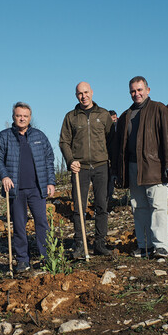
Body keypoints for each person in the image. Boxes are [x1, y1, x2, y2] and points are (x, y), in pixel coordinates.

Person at [111, 76, 168, 258]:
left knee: (157, 206)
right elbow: (119, 147)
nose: (136, 94)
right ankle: (145, 245)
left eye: (140, 90)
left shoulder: (159, 109)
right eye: (133, 91)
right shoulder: (126, 116)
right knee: (138, 207)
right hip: (132, 168)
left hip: (154, 167)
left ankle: (160, 246)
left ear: (148, 90)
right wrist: (116, 171)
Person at [0, 102, 56, 272]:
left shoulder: (39, 136)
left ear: (30, 118)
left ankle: (46, 257)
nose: (22, 118)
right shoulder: (4, 136)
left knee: (42, 223)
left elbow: (49, 158)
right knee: (19, 225)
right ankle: (22, 260)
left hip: (37, 188)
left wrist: (51, 181)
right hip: (15, 190)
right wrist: (4, 176)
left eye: (25, 116)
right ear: (13, 117)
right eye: (19, 115)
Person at [59, 82, 113, 258]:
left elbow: (111, 140)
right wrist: (70, 160)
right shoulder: (71, 117)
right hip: (79, 168)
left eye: (86, 92)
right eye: (80, 93)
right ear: (76, 96)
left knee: (102, 206)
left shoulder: (103, 115)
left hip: (101, 166)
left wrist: (112, 164)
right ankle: (80, 245)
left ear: (92, 92)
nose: (83, 96)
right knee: (79, 208)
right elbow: (64, 141)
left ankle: (100, 244)